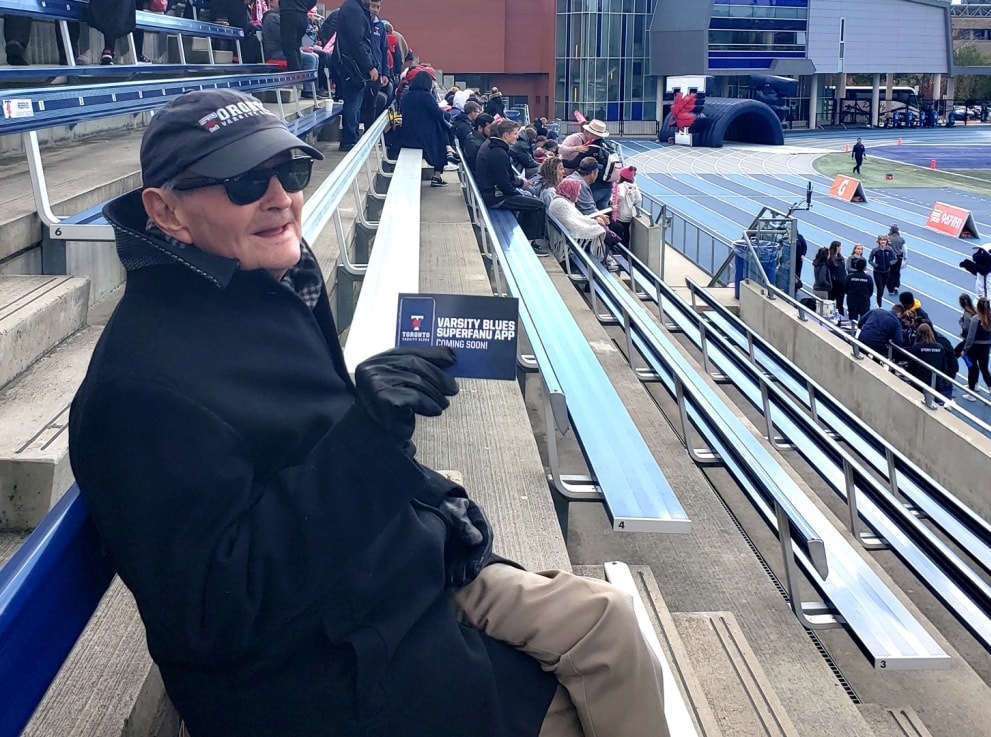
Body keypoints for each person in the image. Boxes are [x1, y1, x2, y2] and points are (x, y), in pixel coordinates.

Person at [67, 88, 670, 737]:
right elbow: (215, 612)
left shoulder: (254, 287)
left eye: (290, 172)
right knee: (583, 703)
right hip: (322, 662)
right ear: (166, 212)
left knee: (611, 623)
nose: (280, 198)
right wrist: (370, 440)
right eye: (244, 182)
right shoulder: (139, 390)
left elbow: (327, 452)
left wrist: (438, 506)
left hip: (380, 572)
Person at [476, 118, 548, 247]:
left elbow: (505, 177)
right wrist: (519, 191)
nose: (517, 136)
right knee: (538, 205)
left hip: (493, 192)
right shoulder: (498, 153)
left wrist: (520, 183)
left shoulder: (493, 146)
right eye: (515, 133)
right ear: (505, 135)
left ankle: (526, 237)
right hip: (495, 197)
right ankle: (530, 242)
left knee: (529, 197)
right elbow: (505, 185)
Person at [332, 0, 379, 152]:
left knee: (355, 101)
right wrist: (370, 66)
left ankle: (351, 138)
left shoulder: (354, 8)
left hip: (350, 64)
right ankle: (349, 140)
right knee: (353, 102)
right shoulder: (354, 9)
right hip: (351, 66)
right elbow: (357, 42)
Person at [398, 70, 452, 187]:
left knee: (440, 128)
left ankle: (449, 149)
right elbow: (437, 114)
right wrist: (447, 114)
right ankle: (437, 174)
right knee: (441, 135)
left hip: (407, 134)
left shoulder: (407, 96)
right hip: (422, 136)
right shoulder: (426, 96)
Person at [261, 0, 320, 98]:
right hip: (276, 52)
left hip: (290, 14)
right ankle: (304, 87)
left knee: (305, 54)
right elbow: (282, 40)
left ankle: (308, 88)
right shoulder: (271, 17)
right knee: (307, 57)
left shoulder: (281, 15)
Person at [904, 323, 954, 404]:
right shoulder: (939, 347)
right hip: (935, 382)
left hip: (920, 382)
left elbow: (911, 367)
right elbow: (945, 366)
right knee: (932, 404)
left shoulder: (917, 347)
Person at [962, 297, 991, 402]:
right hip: (985, 346)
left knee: (972, 368)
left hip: (974, 346)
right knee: (984, 369)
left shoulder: (975, 319)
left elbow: (971, 336)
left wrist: (965, 349)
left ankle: (971, 393)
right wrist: (989, 345)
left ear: (978, 307)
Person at [612, 165, 640, 248]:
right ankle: (626, 251)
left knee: (619, 233)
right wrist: (632, 200)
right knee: (627, 233)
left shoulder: (620, 186)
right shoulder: (635, 186)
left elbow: (619, 196)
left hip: (619, 213)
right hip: (629, 213)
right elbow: (639, 199)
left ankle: (618, 250)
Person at [844, 256, 873, 325]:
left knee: (852, 320)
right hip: (864, 301)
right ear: (864, 267)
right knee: (864, 321)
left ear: (855, 266)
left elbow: (845, 288)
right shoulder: (868, 278)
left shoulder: (849, 277)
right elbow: (871, 291)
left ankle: (852, 334)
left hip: (852, 301)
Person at [868, 233, 894, 308]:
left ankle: (879, 301)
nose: (883, 241)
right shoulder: (875, 250)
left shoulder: (889, 249)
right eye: (881, 240)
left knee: (882, 287)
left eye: (884, 240)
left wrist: (890, 263)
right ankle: (879, 305)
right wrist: (876, 265)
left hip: (886, 271)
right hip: (877, 272)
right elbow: (870, 260)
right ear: (878, 241)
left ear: (886, 241)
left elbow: (894, 258)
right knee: (880, 288)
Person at [827, 241, 847, 317]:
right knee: (830, 302)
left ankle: (842, 318)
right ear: (836, 247)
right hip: (833, 285)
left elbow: (843, 271)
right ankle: (828, 317)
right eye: (840, 246)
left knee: (840, 304)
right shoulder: (830, 259)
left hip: (841, 285)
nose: (841, 248)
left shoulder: (841, 258)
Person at [885, 224, 906, 294]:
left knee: (890, 273)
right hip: (899, 257)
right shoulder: (901, 239)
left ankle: (890, 289)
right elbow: (904, 249)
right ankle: (896, 286)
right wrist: (905, 257)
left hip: (890, 258)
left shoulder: (888, 238)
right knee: (897, 272)